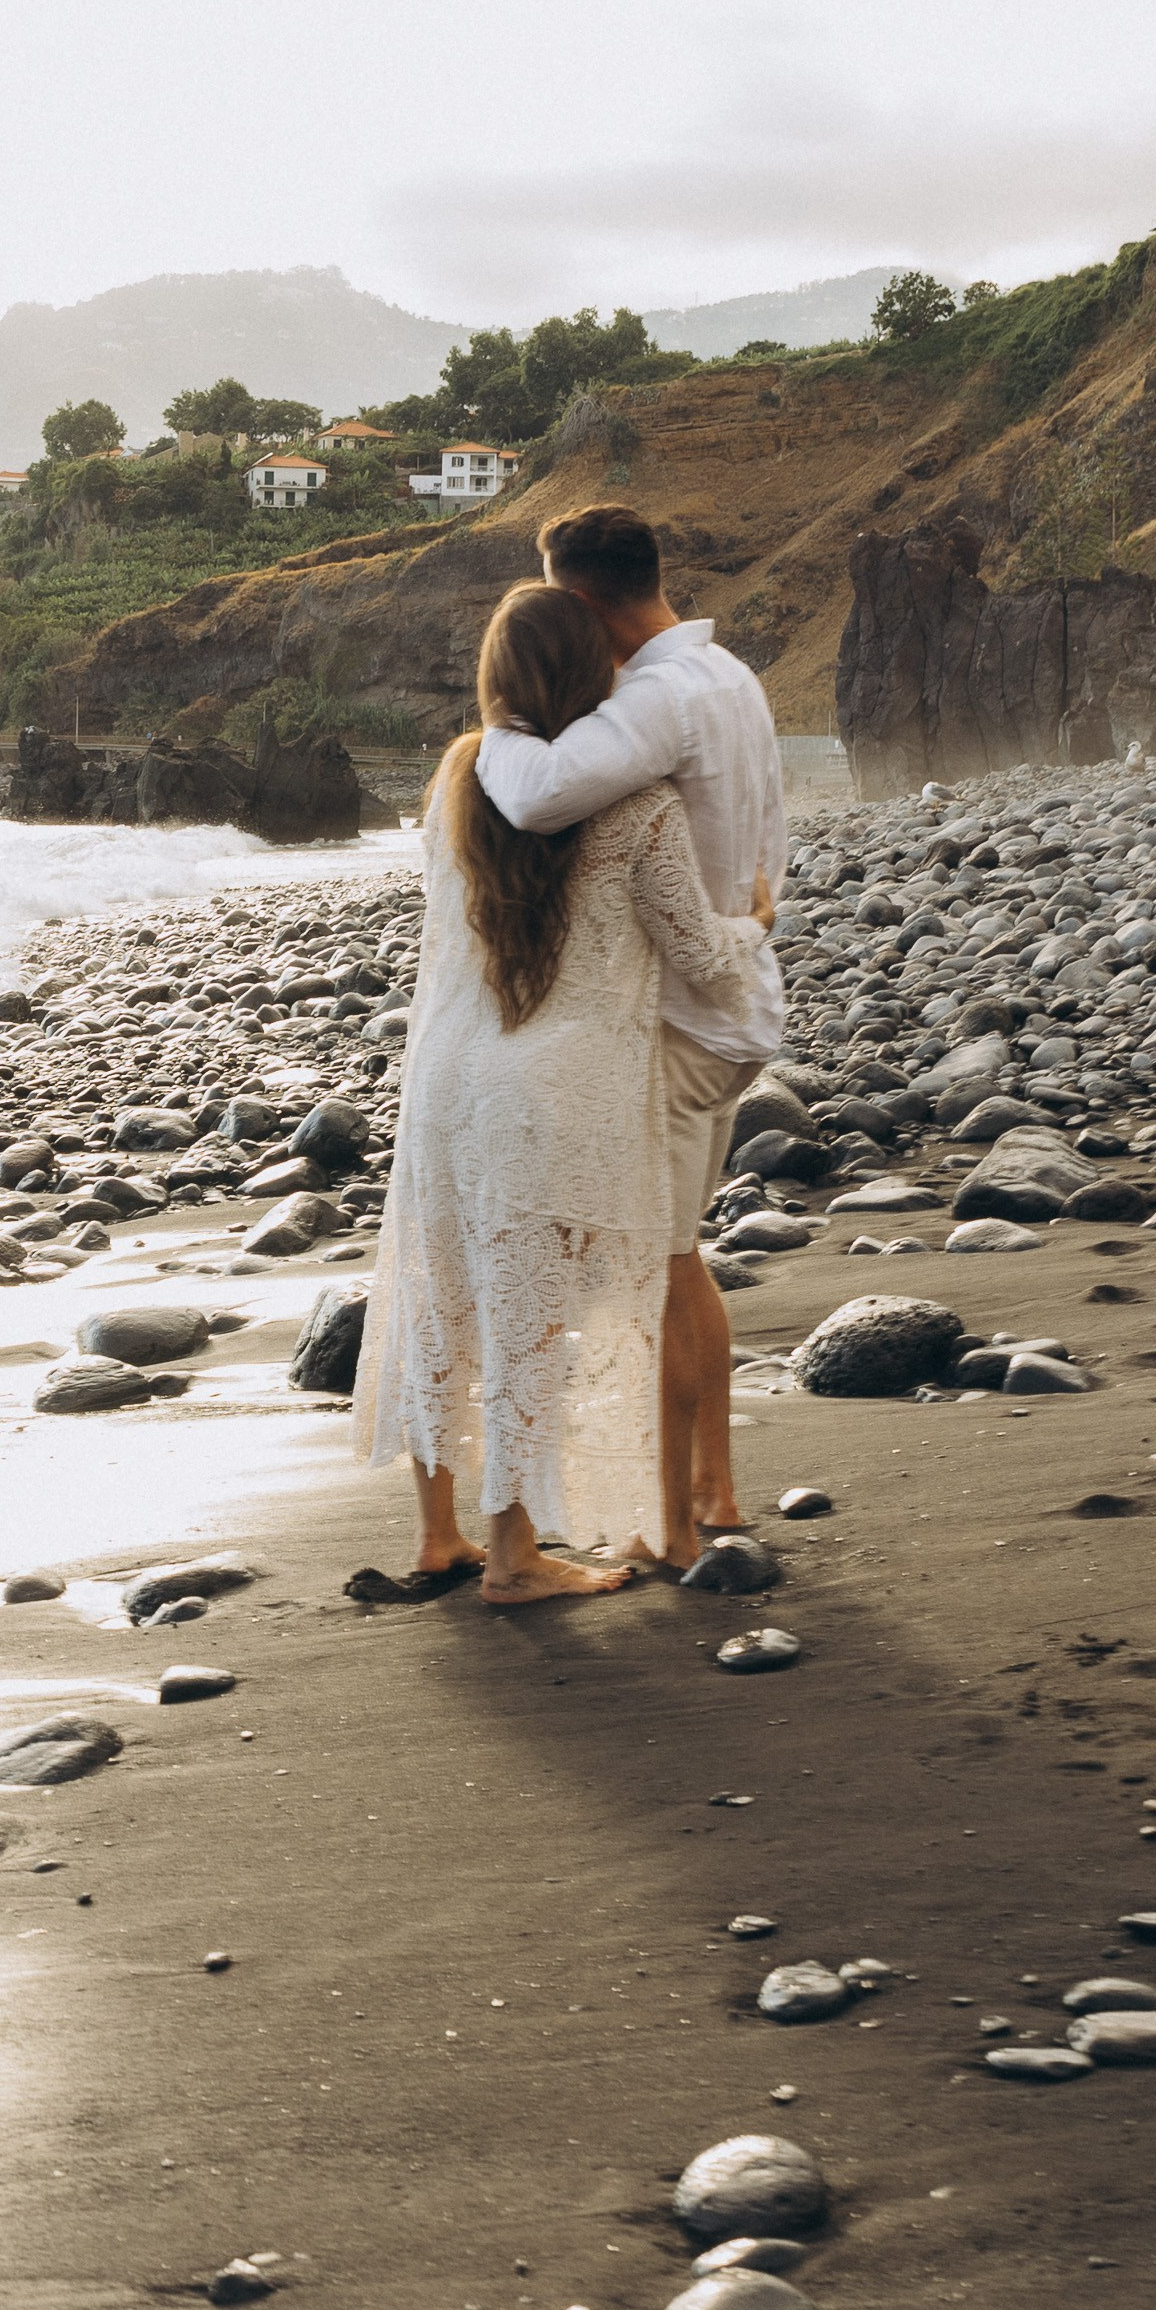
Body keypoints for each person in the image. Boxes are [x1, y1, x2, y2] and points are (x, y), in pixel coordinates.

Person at [352, 580, 774, 1603]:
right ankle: (513, 1558)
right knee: (529, 1315)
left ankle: (436, 1536)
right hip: (557, 1084)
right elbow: (694, 949)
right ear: (599, 676)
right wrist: (755, 920)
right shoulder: (638, 806)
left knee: (443, 1297)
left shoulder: (457, 775)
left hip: (449, 1069)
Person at [474, 507, 786, 1571]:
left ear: (583, 600)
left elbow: (536, 795)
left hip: (681, 1016)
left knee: (655, 1269)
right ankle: (715, 1489)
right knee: (679, 1258)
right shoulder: (730, 678)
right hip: (736, 999)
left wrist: (497, 723)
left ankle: (677, 1520)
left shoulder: (655, 696)